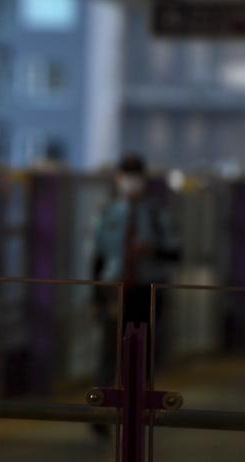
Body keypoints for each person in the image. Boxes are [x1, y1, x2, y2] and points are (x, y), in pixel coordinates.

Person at [90, 153, 181, 436]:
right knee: (108, 355)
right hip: (116, 293)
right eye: (125, 176)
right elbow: (98, 256)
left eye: (134, 176)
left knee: (141, 359)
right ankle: (100, 415)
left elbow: (176, 252)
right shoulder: (109, 212)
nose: (129, 183)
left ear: (143, 180)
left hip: (145, 293)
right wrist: (97, 295)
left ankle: (136, 416)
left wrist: (151, 250)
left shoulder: (156, 213)